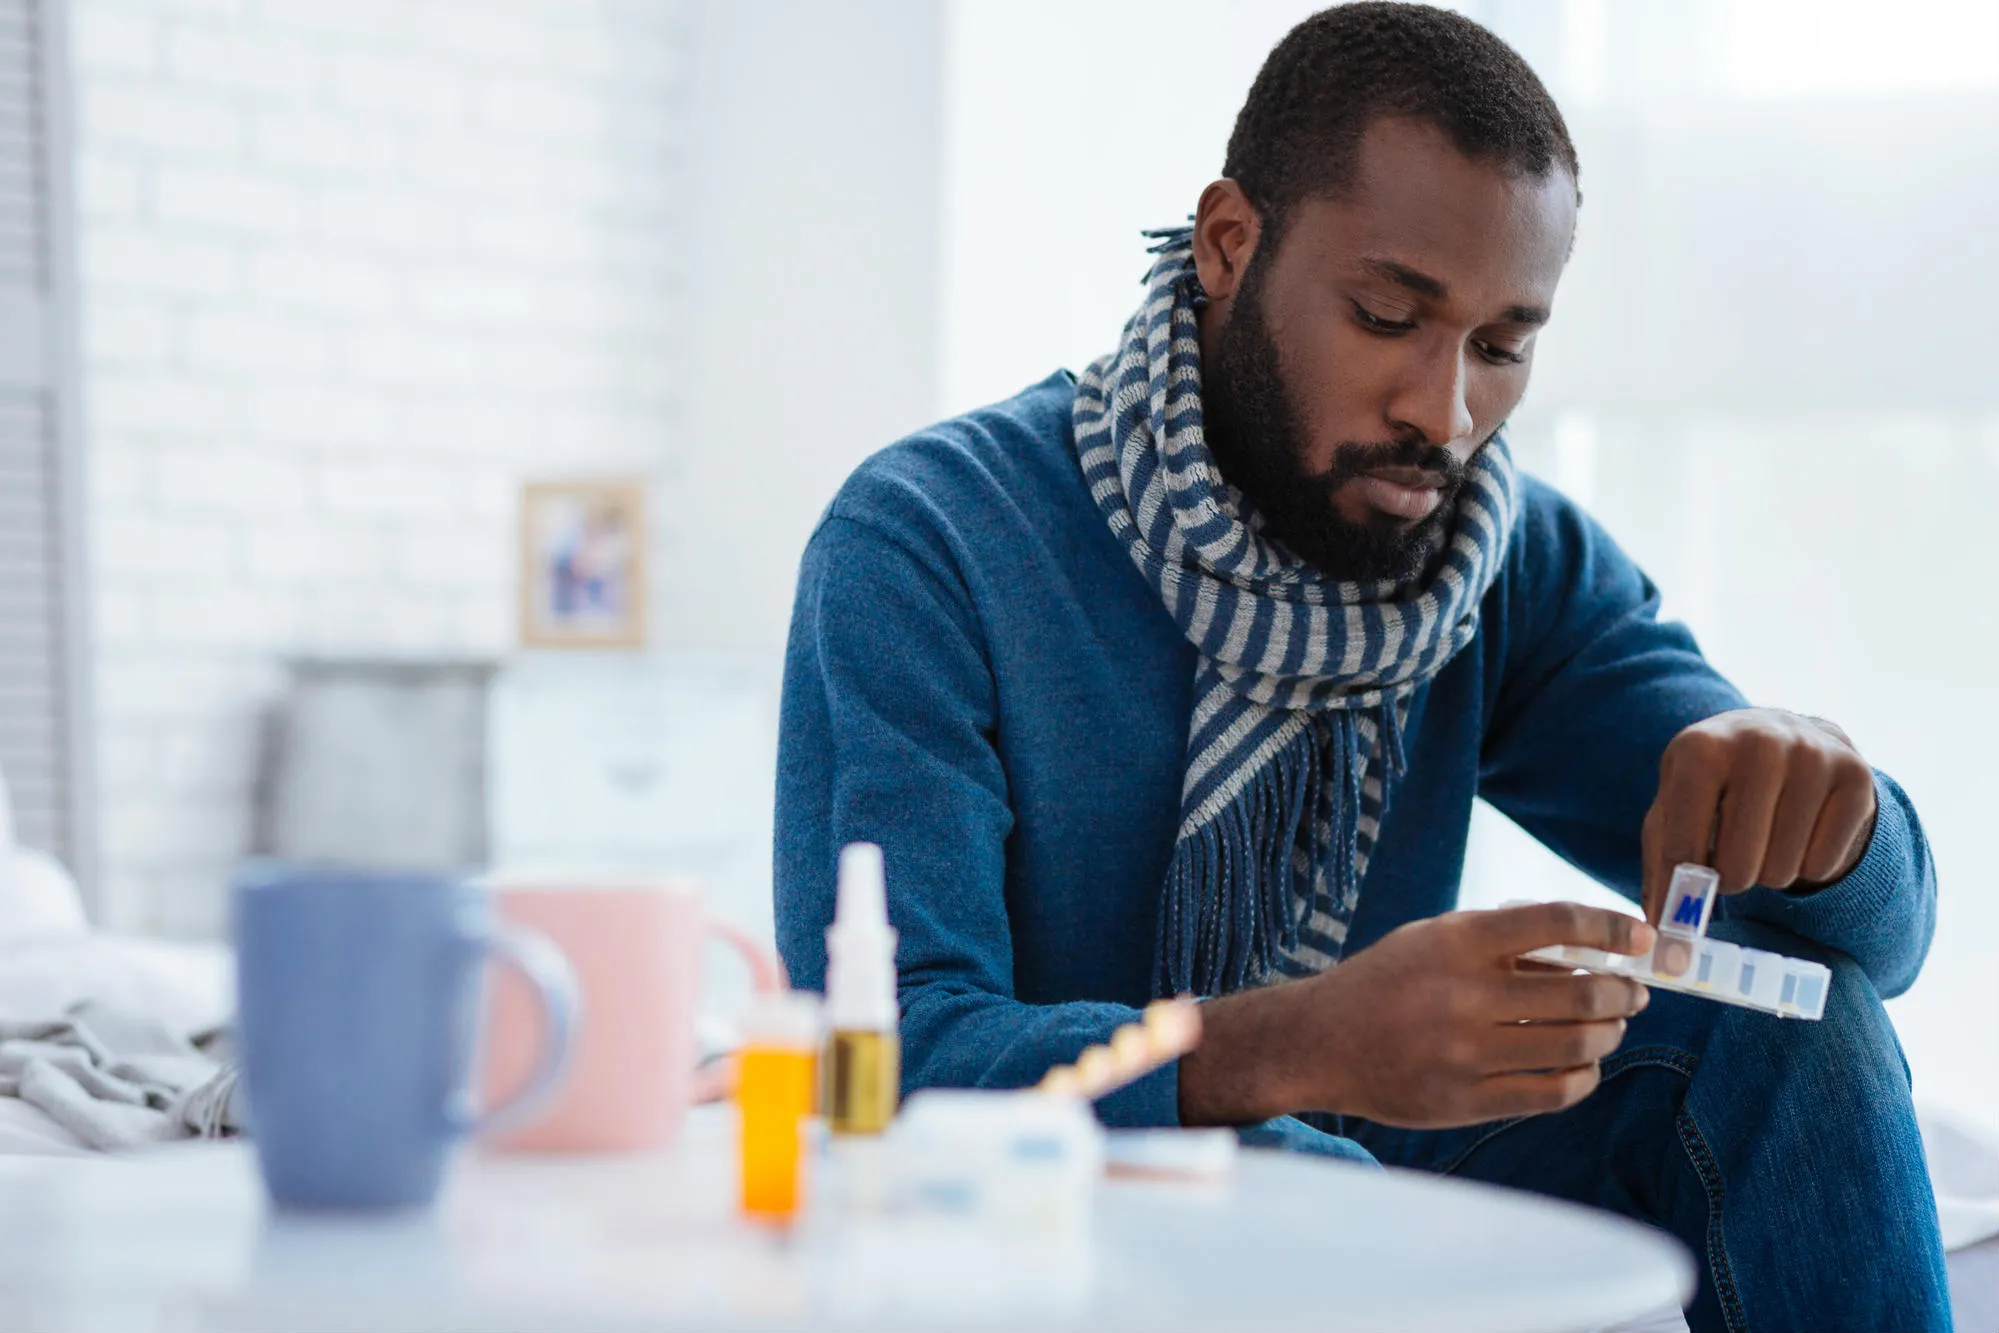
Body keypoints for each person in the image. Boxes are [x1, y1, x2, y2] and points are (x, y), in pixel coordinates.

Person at [773, 5, 1947, 1329]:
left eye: (1502, 346)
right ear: (1229, 244)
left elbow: (1880, 947)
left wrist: (1835, 819)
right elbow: (877, 1063)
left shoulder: (1499, 560)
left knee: (1795, 1029)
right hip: (1038, 1223)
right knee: (1295, 1166)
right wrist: (1299, 1043)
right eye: (1388, 314)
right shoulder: (932, 540)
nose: (1440, 412)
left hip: (1354, 1182)